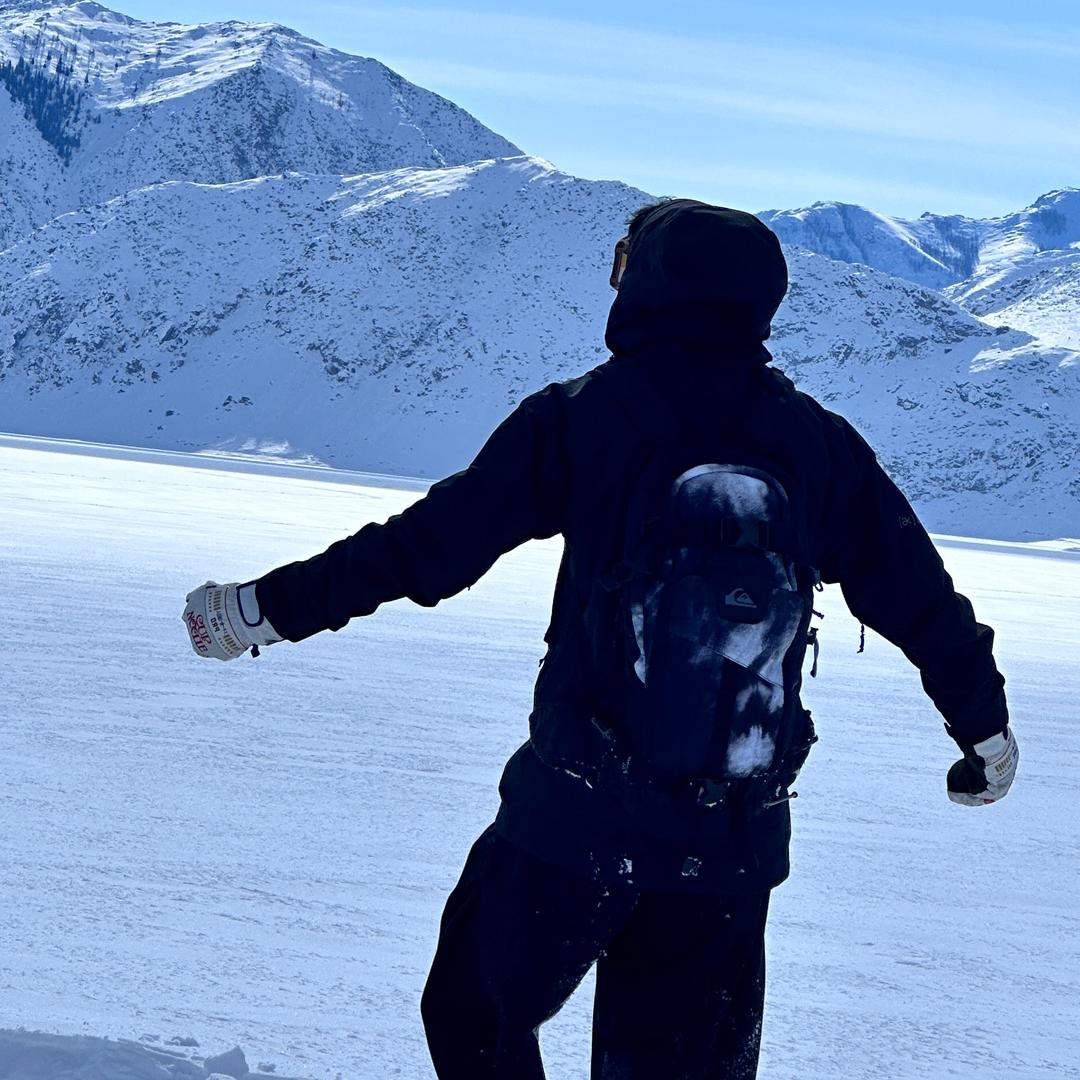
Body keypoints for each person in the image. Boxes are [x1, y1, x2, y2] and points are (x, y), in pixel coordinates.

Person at [182, 200, 1018, 1080]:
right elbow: (923, 601)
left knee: (473, 1009)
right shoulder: (820, 446)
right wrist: (984, 728)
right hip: (730, 845)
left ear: (648, 281)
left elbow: (426, 550)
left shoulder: (584, 417)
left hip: (575, 818)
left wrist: (262, 611)